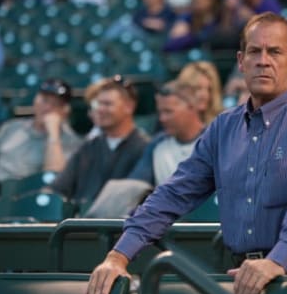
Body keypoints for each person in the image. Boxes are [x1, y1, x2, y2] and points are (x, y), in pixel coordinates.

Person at [83, 12, 287, 294]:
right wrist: (118, 256)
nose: (263, 60)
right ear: (241, 62)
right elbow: (173, 193)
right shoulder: (224, 126)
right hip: (244, 279)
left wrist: (278, 259)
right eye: (254, 51)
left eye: (275, 51)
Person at [84, 79, 205, 218]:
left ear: (191, 108)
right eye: (160, 112)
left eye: (169, 112)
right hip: (169, 227)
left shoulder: (216, 141)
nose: (162, 118)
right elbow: (134, 185)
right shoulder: (157, 144)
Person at [50, 75, 150, 210]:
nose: (100, 109)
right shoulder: (88, 147)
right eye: (97, 104)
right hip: (80, 225)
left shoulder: (146, 147)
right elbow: (59, 188)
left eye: (107, 104)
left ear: (129, 107)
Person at [0, 78, 81, 181]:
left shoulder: (70, 141)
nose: (47, 108)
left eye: (55, 104)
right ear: (35, 100)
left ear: (65, 110)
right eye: (45, 100)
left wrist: (53, 133)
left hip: (27, 196)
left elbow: (54, 177)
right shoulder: (11, 127)